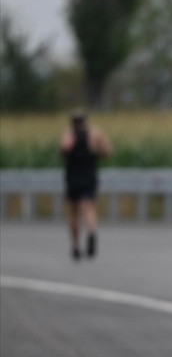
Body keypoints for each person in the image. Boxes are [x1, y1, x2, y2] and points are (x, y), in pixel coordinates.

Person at [59, 110, 113, 261]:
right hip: (89, 177)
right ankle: (91, 232)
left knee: (74, 212)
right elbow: (108, 151)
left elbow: (63, 150)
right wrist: (95, 152)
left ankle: (76, 246)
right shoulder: (94, 134)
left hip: (73, 178)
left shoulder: (68, 135)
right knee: (89, 207)